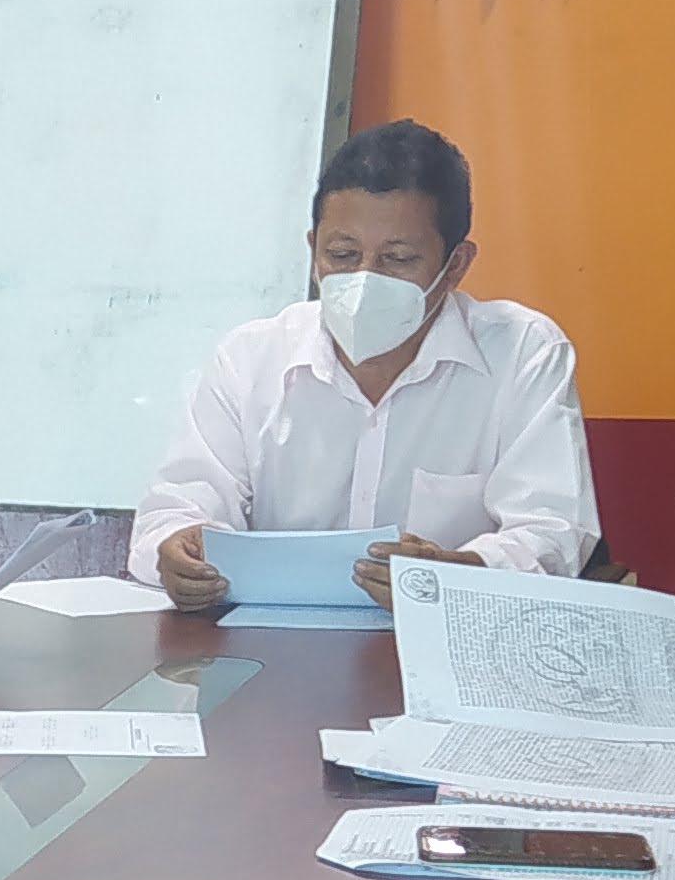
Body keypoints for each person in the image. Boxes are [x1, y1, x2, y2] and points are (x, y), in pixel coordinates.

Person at [132, 119, 597, 609]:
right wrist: (179, 548)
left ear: (456, 265)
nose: (363, 279)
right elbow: (177, 508)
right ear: (313, 248)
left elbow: (552, 531)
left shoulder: (522, 353)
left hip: (442, 636)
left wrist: (462, 574)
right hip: (267, 641)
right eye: (342, 254)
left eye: (398, 259)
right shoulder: (250, 359)